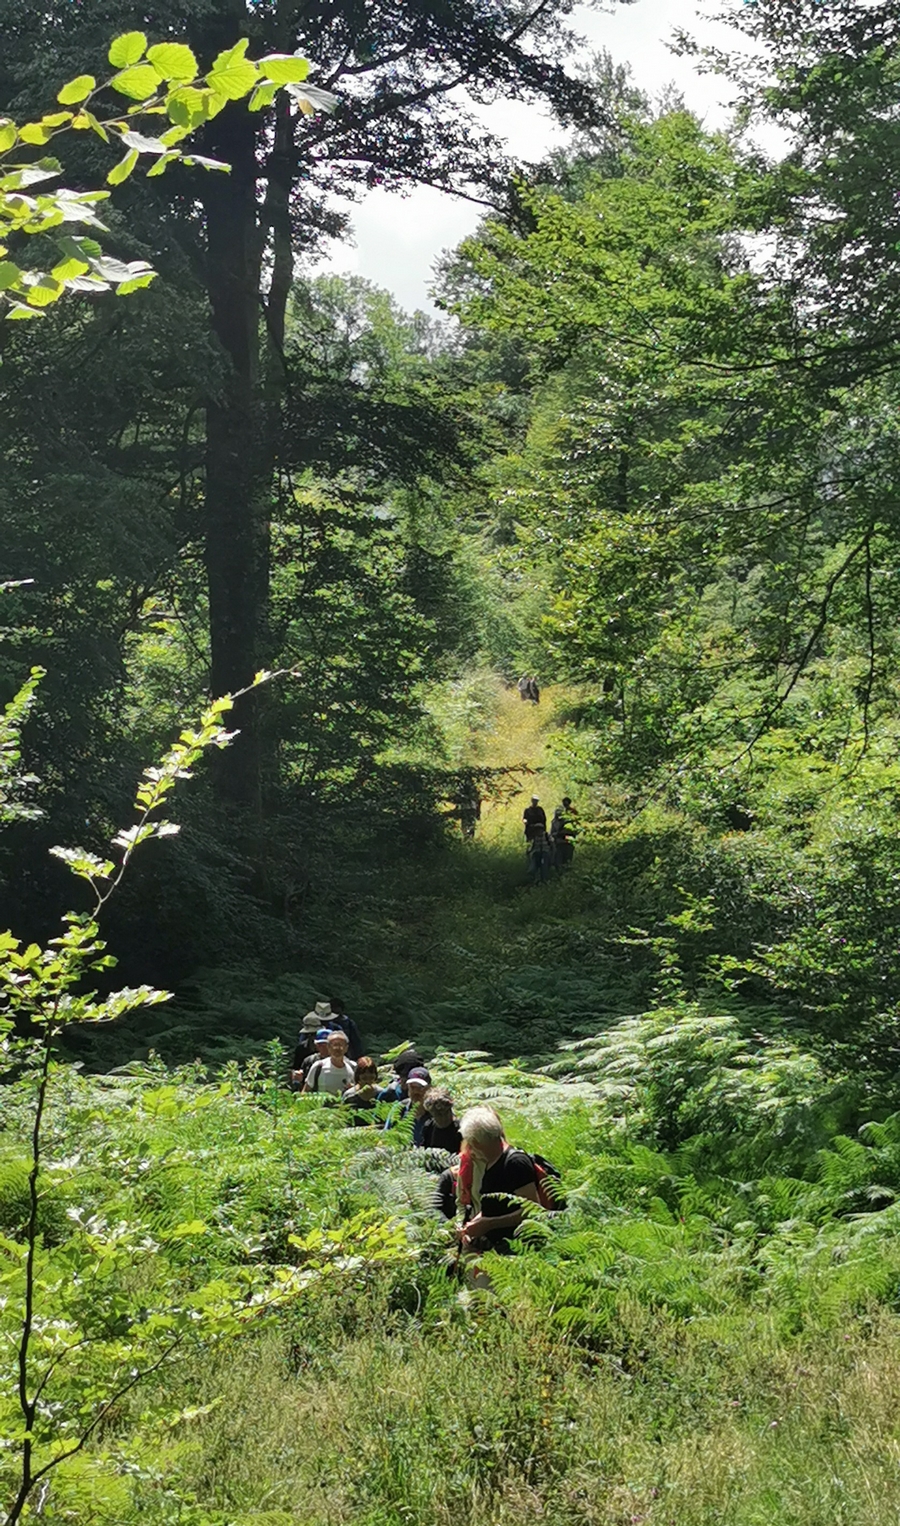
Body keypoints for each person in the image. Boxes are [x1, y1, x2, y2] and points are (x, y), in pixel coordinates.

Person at [437, 1106, 541, 1252]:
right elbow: (492, 1207)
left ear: (476, 1142)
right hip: (491, 1248)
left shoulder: (516, 1163)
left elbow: (533, 1209)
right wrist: (474, 1224)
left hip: (517, 1250)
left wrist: (489, 1224)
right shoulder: (488, 1162)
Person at [302, 1029, 357, 1097]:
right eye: (334, 1045)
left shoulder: (353, 1067)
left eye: (340, 1045)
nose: (337, 1048)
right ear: (328, 1047)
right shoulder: (318, 1067)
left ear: (346, 1048)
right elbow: (305, 1092)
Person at [422, 1088, 462, 1153]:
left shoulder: (461, 1129)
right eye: (436, 1115)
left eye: (445, 1113)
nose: (441, 1118)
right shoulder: (429, 1127)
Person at [342, 1056, 380, 1122]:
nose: (368, 1081)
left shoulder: (381, 1093)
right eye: (364, 1077)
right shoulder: (350, 1095)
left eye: (371, 1077)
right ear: (358, 1076)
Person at [327, 996, 364, 1060]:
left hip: (348, 1056)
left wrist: (358, 1057)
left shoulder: (349, 1023)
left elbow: (356, 1042)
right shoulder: (327, 1023)